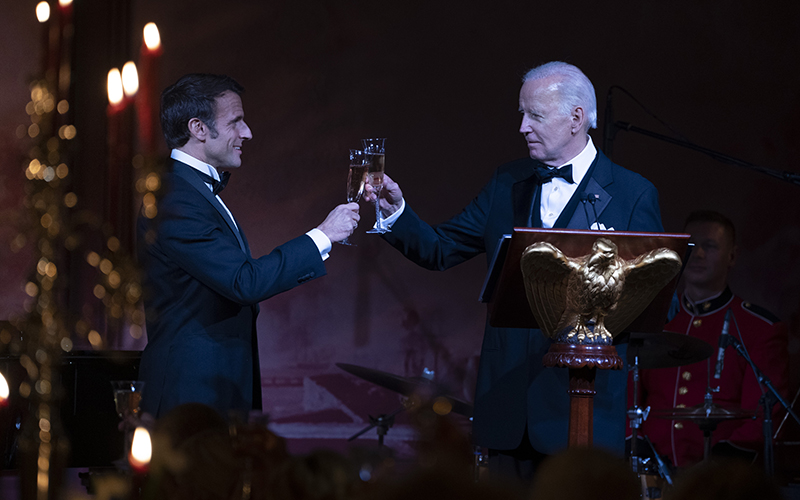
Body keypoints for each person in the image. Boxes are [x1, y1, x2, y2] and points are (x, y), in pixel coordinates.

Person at [364, 61, 664, 480]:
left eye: (535, 115)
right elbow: (440, 249)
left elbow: (649, 303)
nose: (522, 127)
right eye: (521, 114)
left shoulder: (632, 195)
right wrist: (396, 213)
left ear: (577, 118)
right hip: (508, 411)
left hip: (582, 411)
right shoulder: (508, 181)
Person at [137, 74, 360, 418]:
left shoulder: (191, 192)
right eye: (236, 122)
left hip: (215, 389)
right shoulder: (175, 197)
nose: (248, 133)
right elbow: (244, 281)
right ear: (198, 128)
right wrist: (323, 235)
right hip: (190, 397)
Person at [632, 210, 789, 468]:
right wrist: (636, 443)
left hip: (720, 477)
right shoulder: (653, 320)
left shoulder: (760, 327)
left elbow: (764, 416)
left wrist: (720, 465)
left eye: (710, 246)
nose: (699, 255)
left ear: (732, 256)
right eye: (691, 246)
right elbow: (630, 397)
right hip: (652, 471)